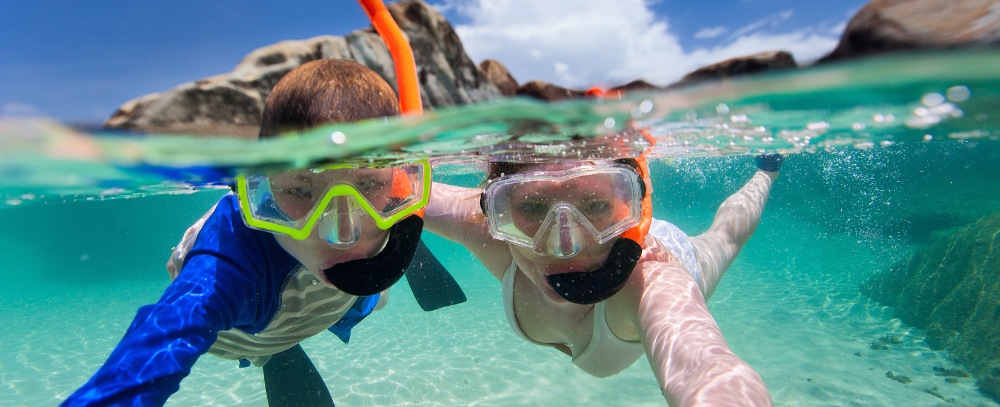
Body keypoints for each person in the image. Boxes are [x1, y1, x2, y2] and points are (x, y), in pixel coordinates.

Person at [64, 59, 433, 406]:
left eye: (368, 186)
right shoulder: (228, 268)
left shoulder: (393, 195)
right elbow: (149, 355)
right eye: (302, 191)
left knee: (375, 296)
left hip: (336, 302)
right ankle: (273, 352)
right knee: (280, 335)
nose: (343, 233)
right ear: (261, 185)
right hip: (246, 332)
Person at [423, 132, 782, 406]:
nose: (566, 246)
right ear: (497, 212)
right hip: (612, 231)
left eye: (594, 204)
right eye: (532, 209)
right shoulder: (488, 232)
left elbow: (706, 369)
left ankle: (766, 173)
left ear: (634, 206)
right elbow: (397, 188)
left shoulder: (652, 284)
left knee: (726, 237)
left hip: (665, 248)